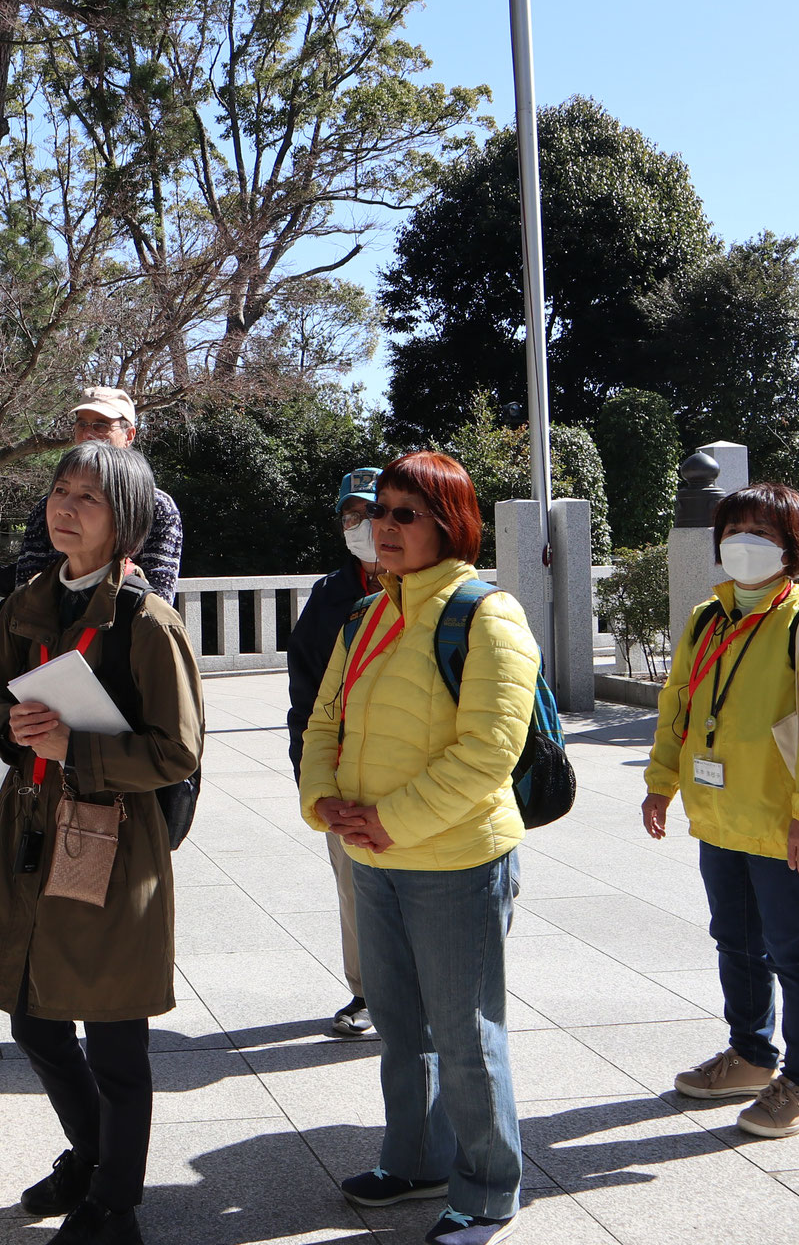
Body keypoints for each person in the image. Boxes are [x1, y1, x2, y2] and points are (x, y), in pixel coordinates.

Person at [0, 442, 204, 1245]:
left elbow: (177, 751)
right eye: (59, 493)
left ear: (125, 519)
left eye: (87, 499)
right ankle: (93, 1158)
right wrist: (12, 725)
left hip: (109, 839)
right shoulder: (30, 599)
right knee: (32, 1018)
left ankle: (115, 1206)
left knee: (115, 1039)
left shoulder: (146, 620)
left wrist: (78, 750)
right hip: (29, 832)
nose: (64, 508)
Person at [298, 451, 535, 1245]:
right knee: (403, 1026)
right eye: (378, 513)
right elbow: (323, 717)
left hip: (456, 860)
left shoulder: (485, 614)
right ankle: (415, 1159)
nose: (383, 528)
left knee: (466, 1034)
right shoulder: (368, 614)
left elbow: (487, 753)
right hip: (374, 854)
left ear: (451, 523)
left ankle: (489, 1188)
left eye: (406, 513)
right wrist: (323, 799)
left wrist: (388, 817)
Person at [641, 481, 799, 1139]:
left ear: (793, 550)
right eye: (734, 530)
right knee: (736, 943)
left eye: (763, 535)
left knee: (797, 953)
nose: (742, 544)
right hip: (721, 816)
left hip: (783, 825)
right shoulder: (706, 619)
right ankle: (750, 1054)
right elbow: (678, 705)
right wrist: (661, 782)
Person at [285, 467, 386, 1039]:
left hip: (409, 768)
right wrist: (310, 774)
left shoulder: (425, 588)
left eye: (370, 513)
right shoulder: (329, 594)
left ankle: (419, 993)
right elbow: (305, 693)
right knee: (353, 884)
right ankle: (366, 993)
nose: (361, 526)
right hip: (343, 767)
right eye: (351, 516)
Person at [13, 387, 182, 602]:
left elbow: (158, 597)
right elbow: (26, 589)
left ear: (129, 435)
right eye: (81, 424)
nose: (87, 434)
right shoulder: (50, 505)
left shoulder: (156, 506)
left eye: (101, 425)